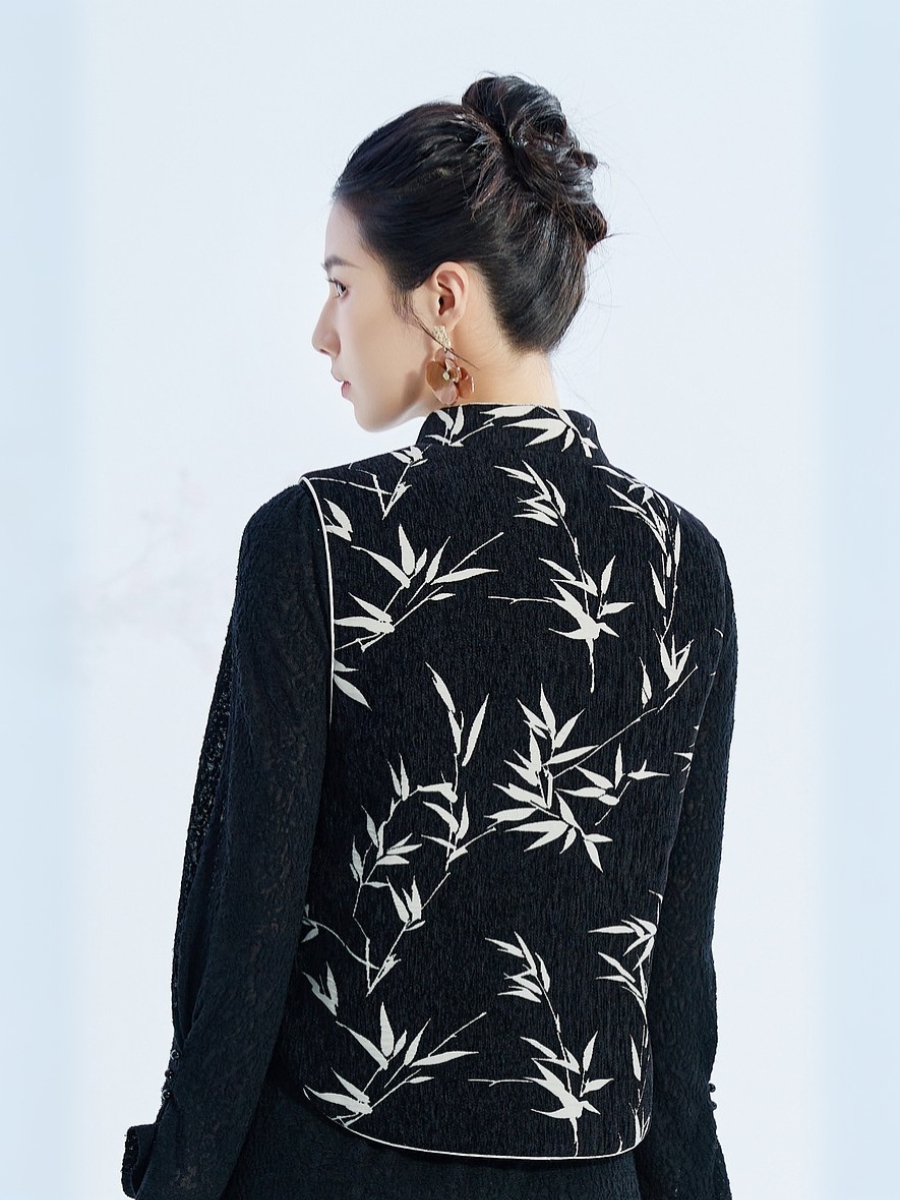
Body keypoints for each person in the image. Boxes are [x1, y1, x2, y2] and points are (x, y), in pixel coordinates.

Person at [122, 74, 737, 1200]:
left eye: (341, 284)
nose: (323, 332)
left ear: (442, 297)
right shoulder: (683, 566)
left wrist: (180, 1175)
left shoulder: (316, 541)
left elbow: (246, 939)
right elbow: (670, 993)